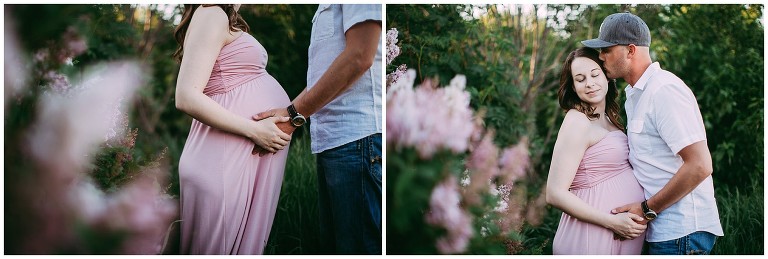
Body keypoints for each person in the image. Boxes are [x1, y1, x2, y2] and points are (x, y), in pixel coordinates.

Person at [582, 12, 724, 255]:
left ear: (630, 50)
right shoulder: (635, 96)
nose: (601, 56)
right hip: (663, 231)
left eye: (607, 49)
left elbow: (700, 165)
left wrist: (647, 209)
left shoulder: (664, 90)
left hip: (682, 232)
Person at [252, 4, 382, 254]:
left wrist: (292, 117)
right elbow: (323, 76)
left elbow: (360, 56)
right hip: (336, 144)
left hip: (358, 141)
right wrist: (287, 112)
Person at [173, 4, 293, 254]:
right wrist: (255, 130)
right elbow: (185, 96)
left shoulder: (221, 17)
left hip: (234, 157)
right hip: (223, 159)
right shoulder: (212, 12)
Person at [546, 47, 647, 255]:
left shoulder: (609, 118)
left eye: (594, 74)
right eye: (580, 79)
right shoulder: (577, 121)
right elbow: (554, 193)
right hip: (592, 234)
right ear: (573, 87)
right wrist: (612, 222)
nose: (589, 83)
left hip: (618, 233)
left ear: (607, 76)